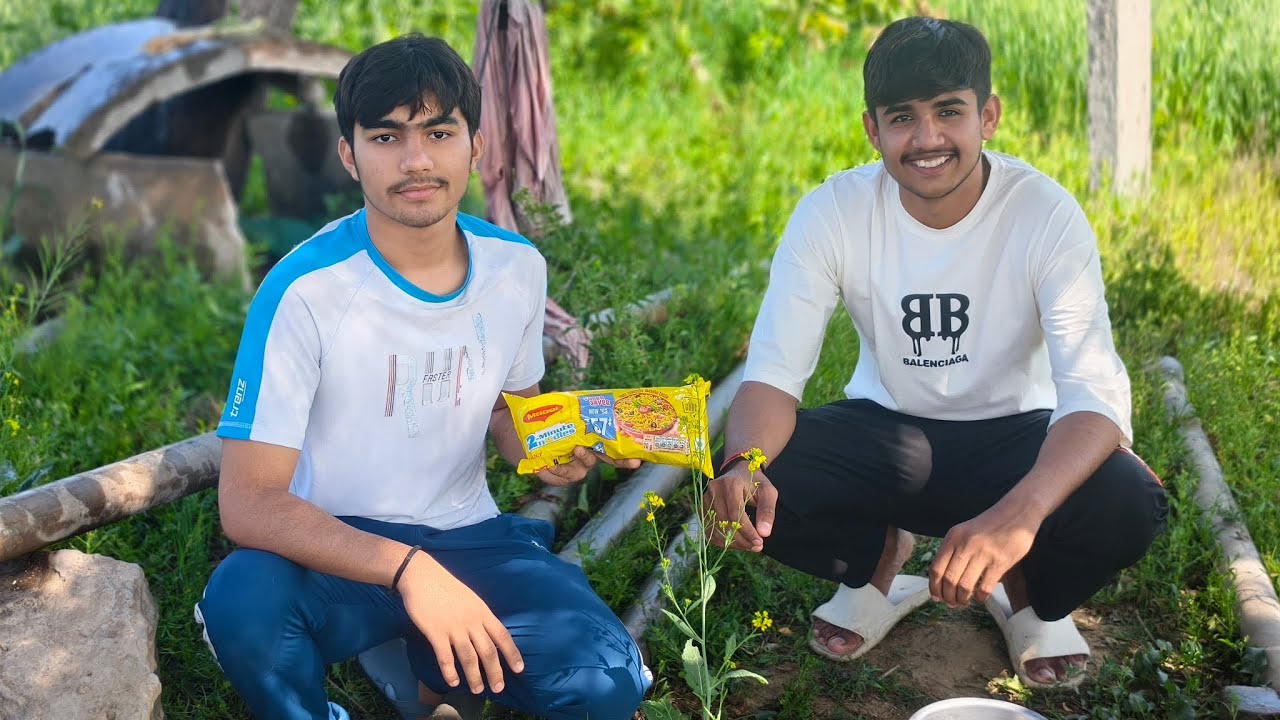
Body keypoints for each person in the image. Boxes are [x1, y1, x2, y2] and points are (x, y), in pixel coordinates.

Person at [194, 34, 650, 720]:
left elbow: (508, 414)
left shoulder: (515, 268)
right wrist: (409, 573)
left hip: (468, 537)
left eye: (439, 131)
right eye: (385, 136)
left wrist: (544, 448)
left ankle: (429, 672)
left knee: (606, 681)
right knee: (244, 605)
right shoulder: (305, 289)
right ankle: (393, 655)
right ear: (349, 153)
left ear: (475, 143)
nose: (416, 160)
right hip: (338, 549)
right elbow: (249, 502)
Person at [706, 16, 1168, 690]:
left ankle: (1022, 585)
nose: (926, 140)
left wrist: (1020, 516)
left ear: (988, 115)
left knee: (1131, 500)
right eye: (902, 118)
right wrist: (743, 463)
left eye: (948, 112)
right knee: (753, 484)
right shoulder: (832, 211)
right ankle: (883, 559)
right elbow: (772, 377)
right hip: (889, 442)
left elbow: (1094, 394)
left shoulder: (1043, 212)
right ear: (873, 130)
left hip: (1018, 441)